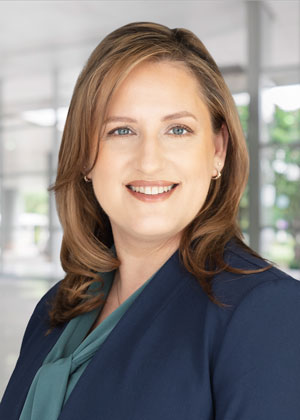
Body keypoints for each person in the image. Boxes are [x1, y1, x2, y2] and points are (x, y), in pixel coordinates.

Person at [1, 21, 300, 420]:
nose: (148, 160)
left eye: (178, 129)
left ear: (217, 150)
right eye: (121, 130)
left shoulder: (266, 312)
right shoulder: (58, 307)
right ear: (86, 156)